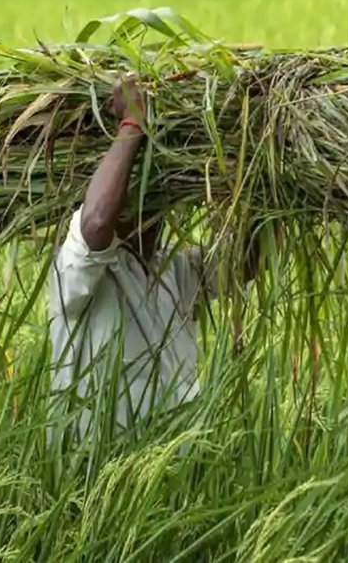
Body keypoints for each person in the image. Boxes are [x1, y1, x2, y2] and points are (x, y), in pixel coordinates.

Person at [47, 79, 259, 440]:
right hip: (97, 471)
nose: (159, 210)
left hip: (175, 471)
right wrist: (132, 124)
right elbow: (96, 222)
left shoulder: (174, 271)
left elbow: (244, 263)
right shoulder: (74, 270)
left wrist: (259, 156)